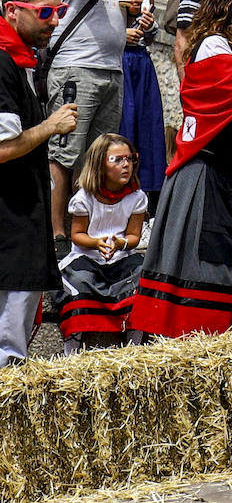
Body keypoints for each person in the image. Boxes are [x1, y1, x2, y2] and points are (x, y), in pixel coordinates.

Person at [129, 0, 232, 338]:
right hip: (204, 175)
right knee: (203, 266)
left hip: (225, 174)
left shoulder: (230, 48)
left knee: (228, 264)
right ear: (231, 8)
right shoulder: (213, 46)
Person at [47, 0, 160, 240]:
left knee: (97, 158)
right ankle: (56, 236)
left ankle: (88, 232)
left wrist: (135, 19)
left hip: (111, 67)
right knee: (64, 153)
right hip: (75, 67)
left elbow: (110, 5)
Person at [0, 0, 75, 364]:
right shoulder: (3, 62)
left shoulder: (20, 58)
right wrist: (50, 126)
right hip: (8, 226)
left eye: (59, 9)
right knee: (8, 351)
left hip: (19, 218)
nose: (56, 20)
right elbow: (2, 149)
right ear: (13, 11)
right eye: (45, 12)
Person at [57, 133, 146, 353]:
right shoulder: (84, 198)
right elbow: (77, 234)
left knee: (142, 277)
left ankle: (134, 342)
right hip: (87, 257)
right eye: (117, 160)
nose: (126, 165)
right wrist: (96, 243)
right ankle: (74, 343)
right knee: (78, 283)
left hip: (120, 257)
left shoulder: (136, 198)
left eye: (129, 158)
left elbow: (134, 237)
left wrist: (120, 243)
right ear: (99, 165)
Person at [108, 0, 165, 210]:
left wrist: (146, 26)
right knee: (124, 125)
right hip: (119, 59)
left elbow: (152, 34)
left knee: (148, 126)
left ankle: (148, 201)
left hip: (141, 60)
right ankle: (118, 196)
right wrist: (123, 34)